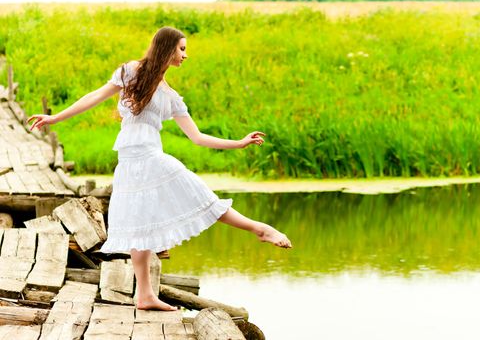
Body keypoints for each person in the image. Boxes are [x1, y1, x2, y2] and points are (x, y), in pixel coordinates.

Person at [27, 26, 292, 311]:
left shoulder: (171, 95)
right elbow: (95, 96)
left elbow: (198, 137)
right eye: (181, 49)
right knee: (139, 223)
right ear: (166, 48)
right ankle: (144, 295)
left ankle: (258, 229)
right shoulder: (130, 71)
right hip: (130, 159)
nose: (185, 55)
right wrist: (55, 119)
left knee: (199, 195)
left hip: (151, 155)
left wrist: (238, 143)